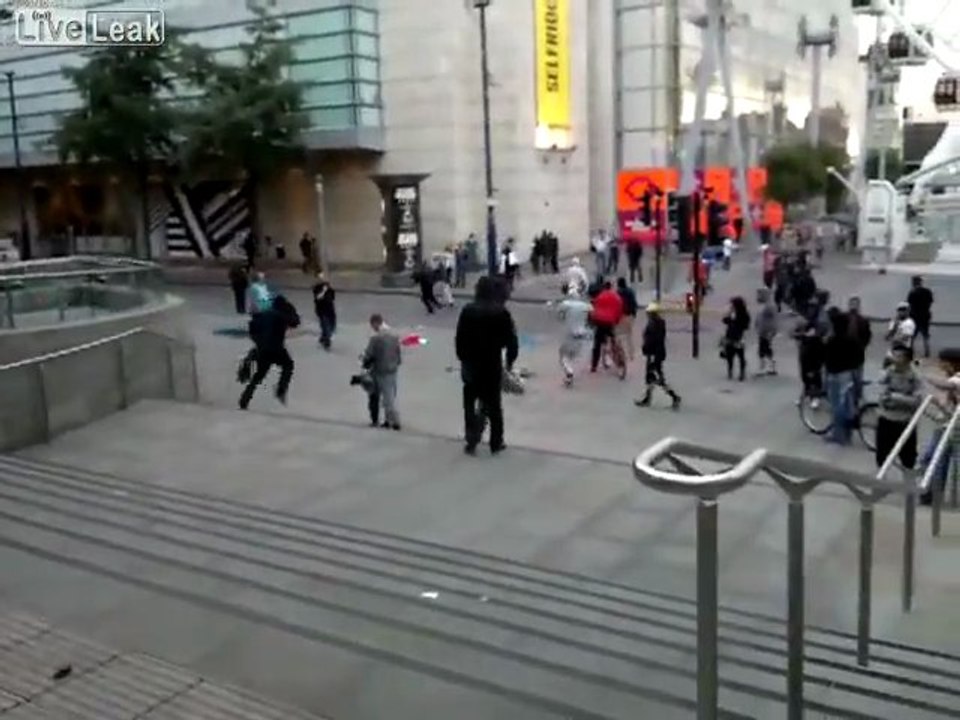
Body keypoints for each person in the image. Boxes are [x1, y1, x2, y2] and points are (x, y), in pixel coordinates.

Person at [456, 276, 519, 456]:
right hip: (491, 364)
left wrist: (463, 357)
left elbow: (460, 338)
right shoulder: (501, 313)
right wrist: (509, 362)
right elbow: (511, 342)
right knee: (494, 406)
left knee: (469, 403)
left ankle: (471, 439)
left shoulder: (468, 310)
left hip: (470, 364)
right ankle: (496, 441)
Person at [238, 294, 299, 410]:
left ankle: (244, 399)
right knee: (288, 365)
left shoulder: (262, 315)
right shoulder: (281, 315)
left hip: (262, 348)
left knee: (259, 374)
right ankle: (281, 389)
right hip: (276, 348)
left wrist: (259, 342)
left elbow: (252, 329)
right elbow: (295, 322)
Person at [919, 347, 960, 505]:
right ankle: (933, 492)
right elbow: (947, 401)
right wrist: (938, 404)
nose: (940, 365)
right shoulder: (953, 378)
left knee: (933, 458)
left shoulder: (956, 379)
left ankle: (931, 492)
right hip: (948, 423)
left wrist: (923, 374)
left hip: (951, 426)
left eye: (943, 362)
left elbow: (944, 385)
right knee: (939, 458)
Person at [874, 342, 922, 471]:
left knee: (908, 459)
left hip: (904, 422)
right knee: (882, 456)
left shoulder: (914, 376)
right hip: (886, 419)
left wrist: (896, 397)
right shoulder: (889, 372)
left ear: (907, 359)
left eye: (898, 356)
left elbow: (917, 401)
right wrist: (888, 397)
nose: (894, 359)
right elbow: (882, 393)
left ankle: (909, 487)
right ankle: (880, 484)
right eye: (893, 356)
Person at [822, 307, 860, 445]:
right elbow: (858, 357)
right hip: (849, 373)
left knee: (837, 406)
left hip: (835, 374)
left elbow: (826, 357)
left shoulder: (832, 340)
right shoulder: (852, 339)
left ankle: (838, 435)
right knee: (848, 404)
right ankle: (848, 433)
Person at [635, 303, 681, 409]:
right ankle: (647, 398)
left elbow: (652, 340)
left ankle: (674, 396)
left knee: (657, 378)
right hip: (655, 354)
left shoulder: (655, 324)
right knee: (651, 378)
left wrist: (647, 350)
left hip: (654, 354)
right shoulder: (657, 323)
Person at [362, 314, 402, 430]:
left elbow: (369, 354)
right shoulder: (394, 335)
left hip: (380, 369)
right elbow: (398, 352)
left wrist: (364, 363)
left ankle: (395, 421)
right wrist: (397, 363)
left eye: (372, 325)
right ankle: (388, 420)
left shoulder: (375, 338)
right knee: (390, 395)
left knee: (382, 397)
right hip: (392, 368)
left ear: (376, 323)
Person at [555, 285, 592, 386]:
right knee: (573, 355)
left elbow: (559, 315)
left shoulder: (565, 304)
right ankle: (570, 371)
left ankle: (569, 372)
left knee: (563, 355)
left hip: (569, 334)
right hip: (581, 334)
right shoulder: (585, 306)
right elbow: (591, 315)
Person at [589, 281, 625, 374]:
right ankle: (618, 356)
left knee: (597, 344)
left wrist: (592, 321)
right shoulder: (617, 297)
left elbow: (594, 309)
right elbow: (619, 310)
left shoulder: (599, 296)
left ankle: (594, 366)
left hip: (600, 321)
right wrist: (616, 320)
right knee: (613, 338)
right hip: (610, 322)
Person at [846, 296, 872, 405]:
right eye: (852, 303)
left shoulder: (863, 321)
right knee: (847, 376)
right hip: (846, 352)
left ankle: (857, 396)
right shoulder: (844, 318)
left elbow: (867, 336)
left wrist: (862, 346)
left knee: (857, 377)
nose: (853, 306)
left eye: (855, 304)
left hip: (858, 353)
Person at [721, 296, 751, 381]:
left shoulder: (741, 314)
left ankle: (735, 372)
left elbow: (745, 325)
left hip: (735, 336)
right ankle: (738, 373)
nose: (732, 306)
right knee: (736, 355)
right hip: (735, 336)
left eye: (733, 304)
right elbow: (724, 320)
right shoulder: (736, 313)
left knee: (736, 355)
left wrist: (733, 322)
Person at [907, 275, 934, 358]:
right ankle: (927, 351)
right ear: (921, 282)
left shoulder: (912, 293)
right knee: (925, 334)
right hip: (925, 315)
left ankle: (910, 351)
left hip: (914, 315)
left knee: (912, 335)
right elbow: (930, 302)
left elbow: (909, 304)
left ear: (913, 283)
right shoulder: (927, 291)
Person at [755, 288, 778, 376]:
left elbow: (774, 319)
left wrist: (772, 331)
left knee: (764, 348)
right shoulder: (764, 305)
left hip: (767, 331)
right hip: (762, 331)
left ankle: (765, 367)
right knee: (764, 348)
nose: (758, 297)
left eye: (760, 294)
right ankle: (769, 366)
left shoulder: (770, 306)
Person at [312, 271, 337, 351]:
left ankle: (323, 337)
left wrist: (328, 290)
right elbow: (318, 298)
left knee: (332, 326)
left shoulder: (329, 289)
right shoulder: (317, 289)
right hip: (322, 311)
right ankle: (327, 342)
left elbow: (332, 298)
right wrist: (324, 291)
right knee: (326, 326)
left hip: (330, 310)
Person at [616, 277, 638, 361]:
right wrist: (634, 314)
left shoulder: (618, 293)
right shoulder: (631, 291)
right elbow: (634, 303)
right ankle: (631, 354)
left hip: (622, 315)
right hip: (630, 315)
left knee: (618, 335)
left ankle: (621, 354)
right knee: (629, 335)